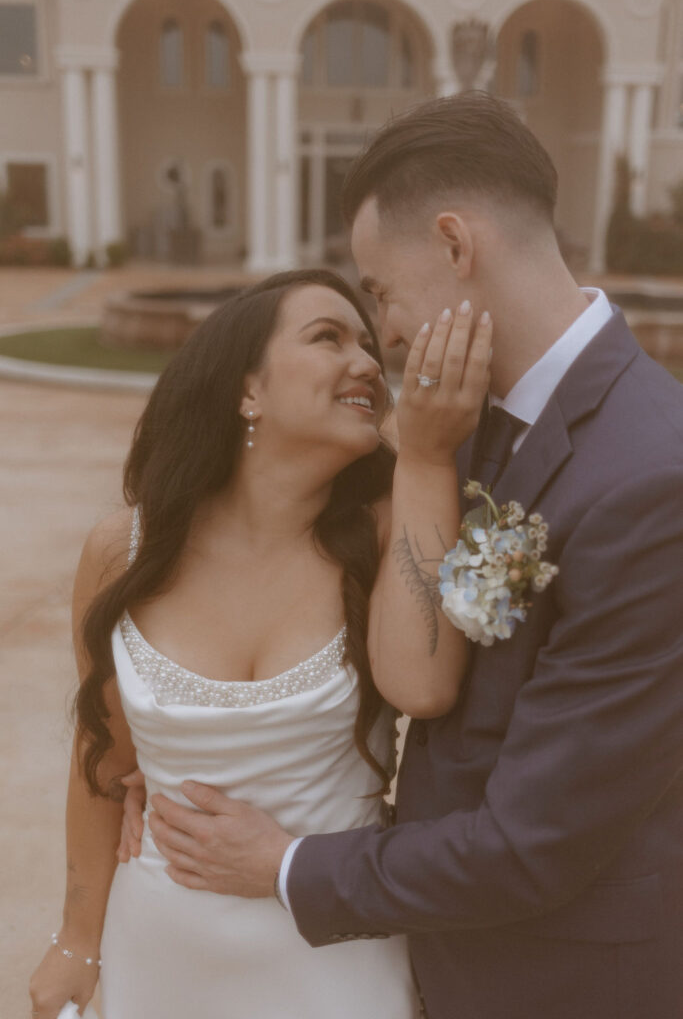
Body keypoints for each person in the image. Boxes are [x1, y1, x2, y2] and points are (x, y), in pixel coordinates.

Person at [122, 93, 683, 1019]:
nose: (381, 334)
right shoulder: (454, 431)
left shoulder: (651, 477)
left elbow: (532, 843)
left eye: (379, 292)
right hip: (430, 951)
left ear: (456, 245)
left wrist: (285, 863)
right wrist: (200, 737)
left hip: (559, 979)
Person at [28, 267, 491, 1019]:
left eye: (370, 345)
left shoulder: (385, 531)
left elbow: (427, 686)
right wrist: (78, 942)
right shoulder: (124, 554)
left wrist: (426, 459)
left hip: (337, 954)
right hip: (163, 951)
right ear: (247, 391)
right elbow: (103, 767)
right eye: (327, 337)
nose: (369, 362)